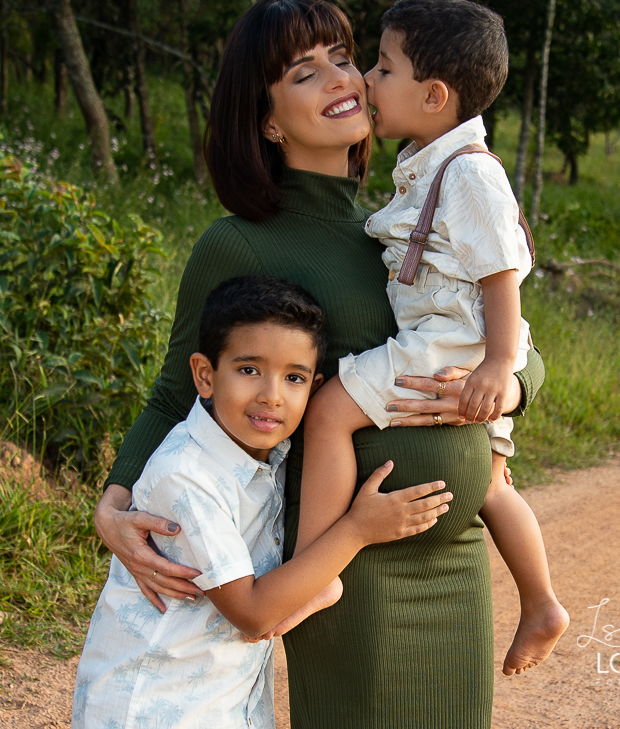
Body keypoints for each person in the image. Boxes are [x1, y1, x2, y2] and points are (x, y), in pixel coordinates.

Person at [93, 0, 545, 729]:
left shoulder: (399, 225)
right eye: (306, 72)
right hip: (348, 565)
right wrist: (113, 502)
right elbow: (176, 390)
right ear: (268, 119)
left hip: (455, 554)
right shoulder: (239, 243)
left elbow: (517, 342)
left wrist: (514, 388)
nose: (343, 78)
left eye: (344, 58)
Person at [295, 0, 569, 677]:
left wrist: (498, 365)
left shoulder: (469, 171)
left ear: (434, 95)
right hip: (458, 343)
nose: (366, 79)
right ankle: (541, 602)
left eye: (383, 68)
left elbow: (500, 271)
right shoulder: (428, 162)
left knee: (328, 412)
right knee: (494, 484)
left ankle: (312, 567)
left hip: (451, 343)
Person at [72, 276, 452, 729]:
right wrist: (357, 531)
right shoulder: (186, 475)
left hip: (217, 702)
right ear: (205, 375)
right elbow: (253, 615)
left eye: (294, 378)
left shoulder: (268, 451)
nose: (272, 395)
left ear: (313, 388)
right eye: (249, 370)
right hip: (149, 707)